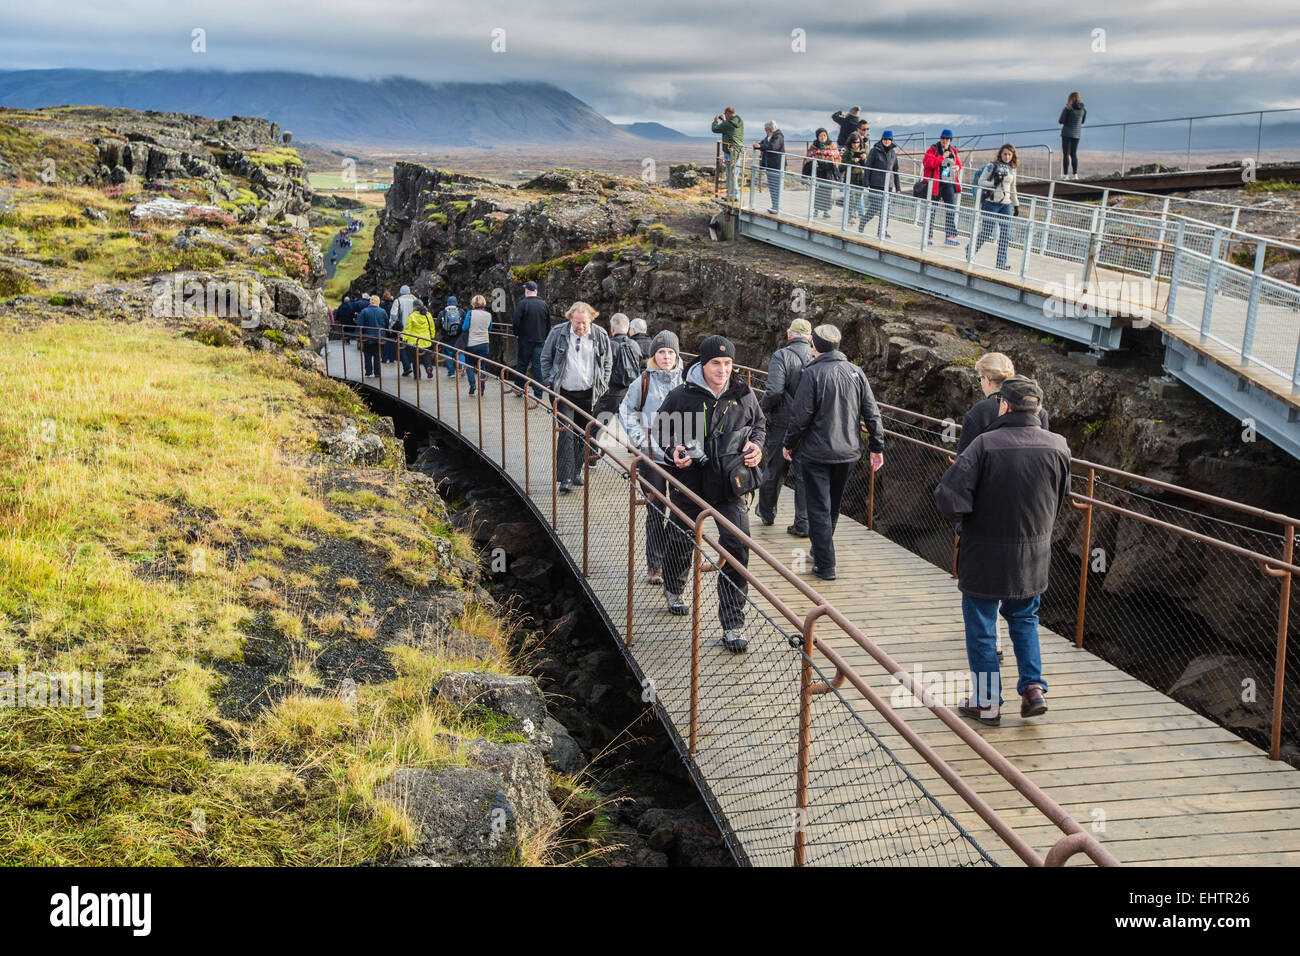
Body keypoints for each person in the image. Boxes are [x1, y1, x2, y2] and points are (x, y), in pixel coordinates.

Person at [934, 375, 1069, 726]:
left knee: (982, 625)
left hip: (985, 552)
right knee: (1024, 618)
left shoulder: (984, 444)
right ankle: (1034, 687)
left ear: (1004, 405)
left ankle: (988, 702)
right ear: (1038, 408)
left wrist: (963, 525)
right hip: (1034, 554)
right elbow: (1061, 497)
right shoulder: (1058, 446)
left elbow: (949, 495)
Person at [657, 335, 765, 652]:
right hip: (689, 483)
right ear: (703, 364)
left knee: (737, 547)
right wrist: (673, 450)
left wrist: (757, 446)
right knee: (679, 537)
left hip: (730, 486)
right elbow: (661, 430)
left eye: (728, 364)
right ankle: (674, 587)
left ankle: (733, 625)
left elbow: (759, 425)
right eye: (716, 363)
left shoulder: (744, 395)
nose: (723, 370)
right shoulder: (681, 395)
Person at [782, 324, 884, 580]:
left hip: (816, 452)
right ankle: (820, 549)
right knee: (833, 504)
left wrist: (788, 443)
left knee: (818, 506)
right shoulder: (856, 373)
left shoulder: (813, 373)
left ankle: (826, 564)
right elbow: (872, 413)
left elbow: (800, 416)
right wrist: (876, 446)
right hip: (848, 452)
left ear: (814, 345)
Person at [619, 330, 684, 585]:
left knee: (680, 512)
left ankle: (671, 561)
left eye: (671, 352)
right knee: (657, 510)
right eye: (661, 352)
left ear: (677, 354)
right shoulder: (643, 381)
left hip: (681, 457)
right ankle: (654, 565)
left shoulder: (687, 379)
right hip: (653, 457)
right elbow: (625, 410)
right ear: (654, 355)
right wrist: (639, 440)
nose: (667, 357)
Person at [540, 301, 613, 494]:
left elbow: (607, 361)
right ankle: (565, 477)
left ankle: (577, 471)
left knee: (583, 434)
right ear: (570, 318)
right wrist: (549, 382)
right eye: (577, 323)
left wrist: (603, 384)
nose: (580, 327)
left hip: (589, 394)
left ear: (591, 319)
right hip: (564, 393)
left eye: (584, 323)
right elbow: (545, 357)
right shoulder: (558, 332)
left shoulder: (600, 334)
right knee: (566, 432)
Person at [756, 318, 814, 536]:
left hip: (783, 422)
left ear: (789, 335)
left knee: (775, 469)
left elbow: (774, 391)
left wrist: (760, 411)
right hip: (808, 426)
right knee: (803, 474)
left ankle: (766, 513)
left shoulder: (781, 355)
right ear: (809, 337)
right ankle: (802, 523)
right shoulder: (817, 357)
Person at [957, 353, 1049, 454]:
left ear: (987, 380)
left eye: (980, 379)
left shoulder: (979, 412)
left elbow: (964, 458)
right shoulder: (1039, 410)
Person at [970, 144, 1021, 270]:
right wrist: (993, 184)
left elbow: (1012, 187)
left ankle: (1001, 263)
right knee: (987, 231)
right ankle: (970, 250)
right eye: (1005, 154)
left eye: (1009, 154)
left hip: (1005, 205)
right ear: (1000, 154)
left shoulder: (1012, 170)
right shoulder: (991, 166)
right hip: (991, 203)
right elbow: (981, 181)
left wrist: (1016, 204)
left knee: (1005, 234)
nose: (1007, 157)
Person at [593, 313, 645, 430]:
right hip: (631, 392)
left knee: (594, 428)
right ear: (627, 328)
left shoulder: (609, 345)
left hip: (611, 392)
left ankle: (591, 448)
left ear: (612, 329)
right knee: (633, 428)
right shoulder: (634, 345)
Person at [923, 130, 962, 246]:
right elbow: (928, 163)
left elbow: (959, 163)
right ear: (940, 139)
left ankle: (950, 236)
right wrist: (941, 157)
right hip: (936, 184)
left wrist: (957, 168)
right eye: (943, 138)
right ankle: (928, 236)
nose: (945, 141)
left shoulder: (953, 151)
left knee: (951, 209)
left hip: (948, 183)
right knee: (932, 209)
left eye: (947, 139)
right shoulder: (933, 149)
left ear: (950, 140)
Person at [511, 281, 550, 398]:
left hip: (525, 340)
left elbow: (516, 321)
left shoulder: (522, 303)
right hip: (539, 340)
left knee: (522, 364)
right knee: (538, 366)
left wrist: (516, 333)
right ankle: (538, 393)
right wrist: (544, 337)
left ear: (527, 291)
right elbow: (548, 323)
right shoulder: (544, 304)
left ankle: (519, 389)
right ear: (536, 291)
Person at [860, 130, 901, 237]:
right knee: (874, 208)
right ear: (882, 139)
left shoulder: (892, 152)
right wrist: (866, 182)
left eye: (889, 139)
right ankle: (863, 221)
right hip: (875, 184)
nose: (887, 141)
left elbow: (896, 170)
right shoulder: (875, 150)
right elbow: (868, 167)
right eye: (885, 139)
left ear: (891, 140)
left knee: (886, 210)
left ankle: (882, 231)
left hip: (888, 185)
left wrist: (898, 187)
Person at [804, 129, 842, 219]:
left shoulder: (831, 146)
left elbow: (837, 157)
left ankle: (826, 211)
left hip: (828, 172)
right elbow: (808, 157)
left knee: (827, 192)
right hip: (817, 172)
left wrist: (832, 163)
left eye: (824, 135)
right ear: (817, 137)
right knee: (817, 192)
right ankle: (816, 210)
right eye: (821, 135)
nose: (823, 137)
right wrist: (813, 163)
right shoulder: (813, 147)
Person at [461, 294, 494, 396]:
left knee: (469, 365)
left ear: (474, 303)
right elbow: (490, 328)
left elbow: (465, 328)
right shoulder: (489, 315)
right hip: (484, 344)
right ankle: (482, 390)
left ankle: (473, 384)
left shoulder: (470, 313)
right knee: (482, 366)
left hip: (471, 343)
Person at [712, 107, 745, 201]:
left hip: (730, 151)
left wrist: (715, 121)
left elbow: (715, 129)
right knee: (734, 173)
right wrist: (725, 121)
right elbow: (729, 129)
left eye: (725, 114)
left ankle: (733, 195)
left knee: (730, 173)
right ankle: (731, 193)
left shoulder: (727, 123)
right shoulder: (739, 121)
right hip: (738, 150)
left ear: (727, 113)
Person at [753, 120, 786, 213]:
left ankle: (777, 207)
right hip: (770, 165)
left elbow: (773, 147)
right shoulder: (769, 137)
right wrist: (757, 145)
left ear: (770, 129)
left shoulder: (778, 136)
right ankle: (774, 206)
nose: (765, 131)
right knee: (772, 186)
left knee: (776, 186)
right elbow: (763, 143)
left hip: (777, 165)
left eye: (766, 129)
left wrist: (760, 146)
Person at [400, 297, 437, 379]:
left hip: (414, 341)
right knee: (426, 356)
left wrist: (404, 339)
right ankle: (429, 368)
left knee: (415, 359)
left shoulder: (412, 316)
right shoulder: (428, 315)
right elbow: (432, 327)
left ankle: (417, 376)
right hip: (426, 340)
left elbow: (408, 329)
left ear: (414, 307)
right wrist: (432, 336)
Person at [356, 294, 389, 379]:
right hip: (379, 337)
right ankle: (377, 372)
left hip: (367, 337)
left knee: (367, 355)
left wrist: (358, 336)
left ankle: (368, 372)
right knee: (378, 355)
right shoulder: (383, 311)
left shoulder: (364, 311)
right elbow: (386, 323)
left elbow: (360, 325)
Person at [841, 131, 870, 223]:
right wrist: (853, 161)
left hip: (860, 177)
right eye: (854, 142)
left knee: (857, 198)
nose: (856, 144)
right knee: (851, 197)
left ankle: (852, 214)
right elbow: (843, 165)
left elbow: (866, 166)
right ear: (850, 142)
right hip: (850, 177)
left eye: (857, 142)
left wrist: (863, 159)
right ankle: (851, 216)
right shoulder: (847, 152)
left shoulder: (863, 151)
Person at [391, 285, 419, 375]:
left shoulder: (398, 301)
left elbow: (393, 315)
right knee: (413, 350)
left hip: (402, 330)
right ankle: (415, 370)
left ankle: (407, 367)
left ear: (401, 292)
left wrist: (393, 326)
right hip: (414, 331)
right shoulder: (416, 300)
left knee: (401, 348)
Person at [1058, 92, 1086, 180]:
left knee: (1066, 154)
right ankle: (1075, 175)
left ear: (1070, 99)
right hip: (1077, 134)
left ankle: (1066, 175)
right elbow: (1083, 121)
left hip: (1066, 133)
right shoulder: (1083, 109)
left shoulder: (1068, 108)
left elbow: (1061, 120)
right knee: (1074, 154)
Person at [438, 295, 464, 377]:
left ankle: (451, 372)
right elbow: (464, 323)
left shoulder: (443, 312)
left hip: (446, 337)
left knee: (447, 354)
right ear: (456, 303)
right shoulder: (461, 312)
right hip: (458, 337)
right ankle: (462, 368)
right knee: (459, 352)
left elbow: (438, 324)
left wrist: (442, 331)